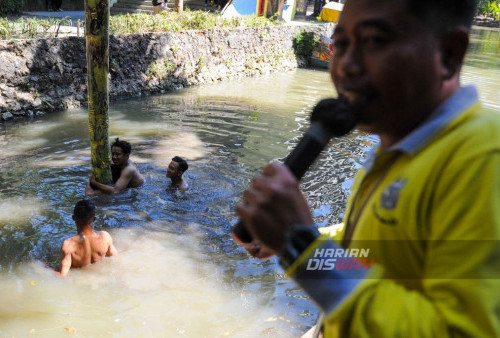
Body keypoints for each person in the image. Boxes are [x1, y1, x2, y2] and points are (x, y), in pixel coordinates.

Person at [236, 0, 500, 336]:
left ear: (449, 54)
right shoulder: (398, 145)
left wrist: (303, 247)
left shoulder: (483, 156)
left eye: (374, 40)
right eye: (341, 43)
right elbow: (379, 251)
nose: (346, 66)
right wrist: (304, 237)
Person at [55, 200, 118, 277]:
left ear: (73, 218)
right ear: (94, 219)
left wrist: (44, 266)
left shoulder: (68, 244)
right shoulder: (105, 237)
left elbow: (62, 275)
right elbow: (116, 257)